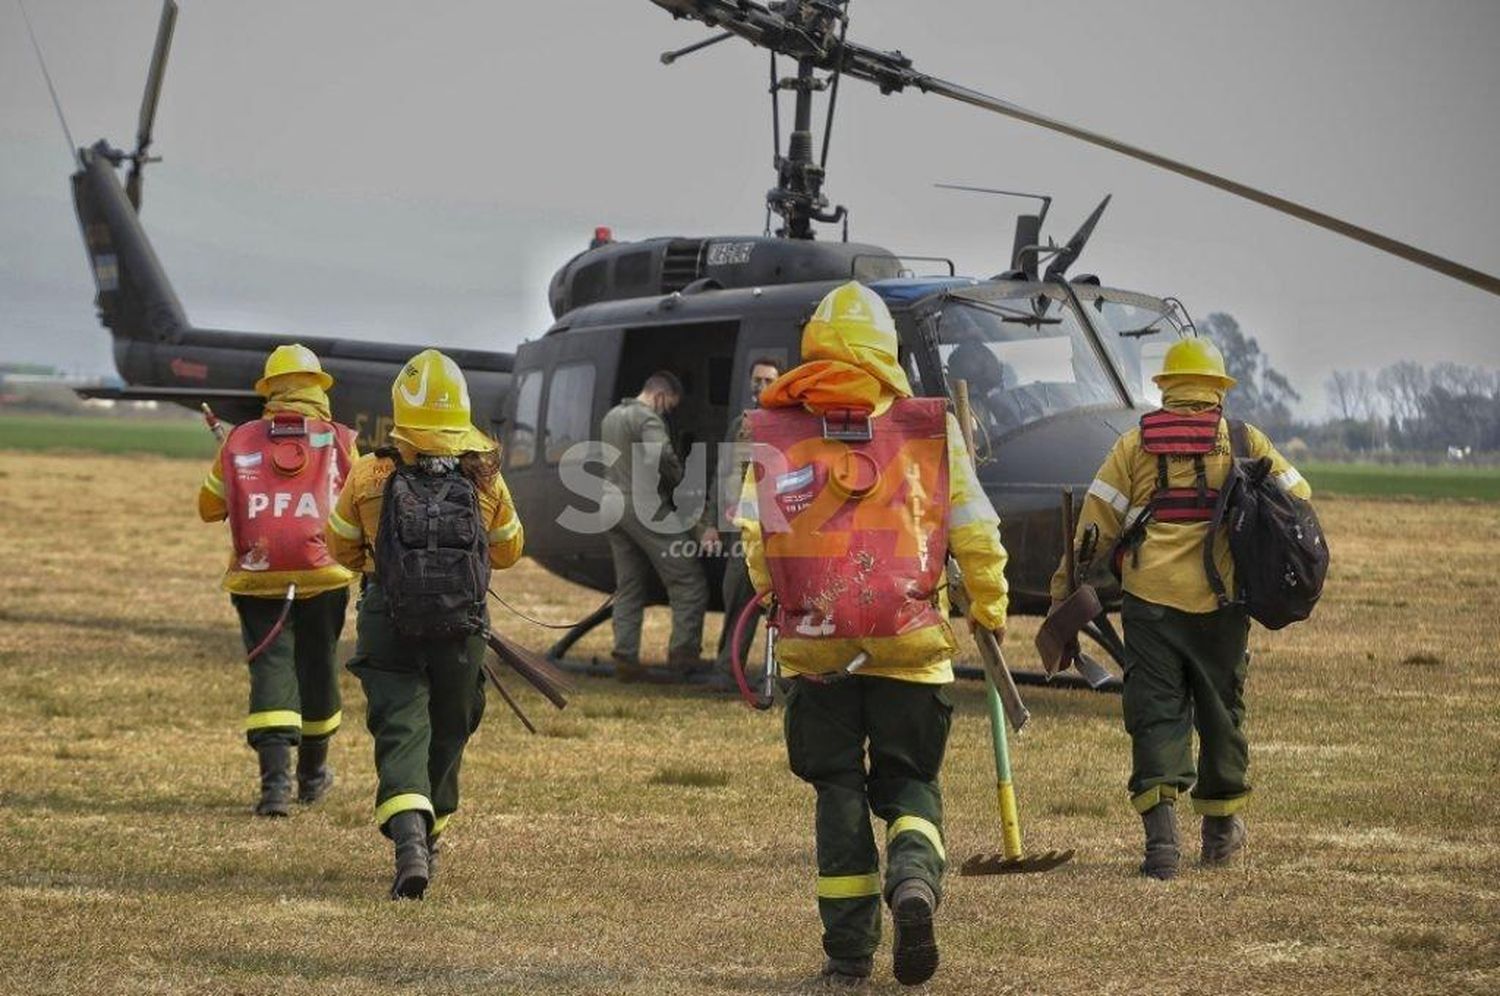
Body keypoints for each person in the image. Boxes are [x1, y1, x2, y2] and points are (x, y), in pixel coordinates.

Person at [736, 282, 1010, 987]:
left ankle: (848, 955)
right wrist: (989, 605)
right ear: (886, 350)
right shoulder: (929, 426)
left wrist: (782, 601)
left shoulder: (776, 428)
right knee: (912, 779)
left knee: (836, 790)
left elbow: (754, 537)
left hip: (815, 645)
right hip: (911, 644)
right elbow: (975, 530)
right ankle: (914, 878)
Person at [1049, 337, 1311, 880]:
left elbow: (1093, 527)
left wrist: (1062, 589)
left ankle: (1162, 846)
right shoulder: (1245, 439)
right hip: (1223, 604)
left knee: (1155, 711)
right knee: (1221, 710)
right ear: (1217, 389)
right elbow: (1298, 495)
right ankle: (1218, 836)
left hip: (1151, 604)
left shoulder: (1134, 444)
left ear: (1165, 388)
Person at [325, 349, 524, 899]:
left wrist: (386, 564)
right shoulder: (484, 477)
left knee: (399, 721)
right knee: (451, 721)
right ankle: (432, 830)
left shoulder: (368, 473)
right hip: (462, 623)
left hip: (388, 617)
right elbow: (509, 550)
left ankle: (409, 838)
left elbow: (339, 544)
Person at [197, 344, 359, 817]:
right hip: (324, 572)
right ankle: (312, 778)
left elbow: (209, 509)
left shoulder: (240, 440)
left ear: (269, 391)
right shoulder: (343, 439)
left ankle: (274, 790)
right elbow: (361, 504)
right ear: (319, 389)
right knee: (318, 665)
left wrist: (239, 473)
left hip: (258, 575)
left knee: (271, 668)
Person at [599, 370, 710, 679]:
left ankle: (625, 658)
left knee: (629, 585)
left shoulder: (612, 416)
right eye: (669, 405)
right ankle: (683, 655)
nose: (668, 412)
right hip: (643, 507)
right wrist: (683, 482)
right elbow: (663, 456)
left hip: (610, 505)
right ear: (660, 396)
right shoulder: (648, 419)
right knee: (688, 580)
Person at [702, 356, 782, 689]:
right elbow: (723, 477)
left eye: (769, 380)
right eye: (757, 380)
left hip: (781, 530)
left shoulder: (789, 420)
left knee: (787, 606)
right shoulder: (741, 423)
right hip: (744, 530)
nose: (761, 386)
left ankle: (783, 677)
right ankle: (726, 672)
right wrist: (711, 523)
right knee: (737, 599)